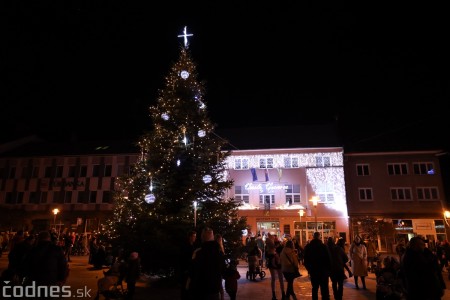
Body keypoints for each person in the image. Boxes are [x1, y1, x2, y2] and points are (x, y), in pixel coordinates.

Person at [188, 227, 226, 300]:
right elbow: (223, 270)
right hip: (214, 288)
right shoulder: (219, 253)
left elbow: (193, 271)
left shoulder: (198, 253)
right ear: (212, 237)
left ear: (202, 237)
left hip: (200, 288)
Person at [304, 232, 331, 300]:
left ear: (313, 237)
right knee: (324, 289)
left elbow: (306, 260)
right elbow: (329, 259)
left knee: (315, 289)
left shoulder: (308, 247)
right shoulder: (324, 246)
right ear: (319, 237)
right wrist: (328, 270)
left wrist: (309, 270)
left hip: (313, 271)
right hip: (323, 272)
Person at [266, 234, 286, 300]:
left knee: (274, 278)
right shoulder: (272, 243)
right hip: (276, 261)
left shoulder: (269, 244)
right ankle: (282, 294)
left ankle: (275, 295)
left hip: (273, 260)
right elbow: (275, 247)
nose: (275, 238)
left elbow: (267, 254)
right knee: (279, 278)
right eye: (274, 237)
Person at [180, 230, 197, 300]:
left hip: (189, 269)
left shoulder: (192, 245)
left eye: (195, 237)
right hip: (186, 270)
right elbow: (184, 258)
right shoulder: (186, 246)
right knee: (185, 287)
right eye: (194, 236)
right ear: (190, 237)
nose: (195, 238)